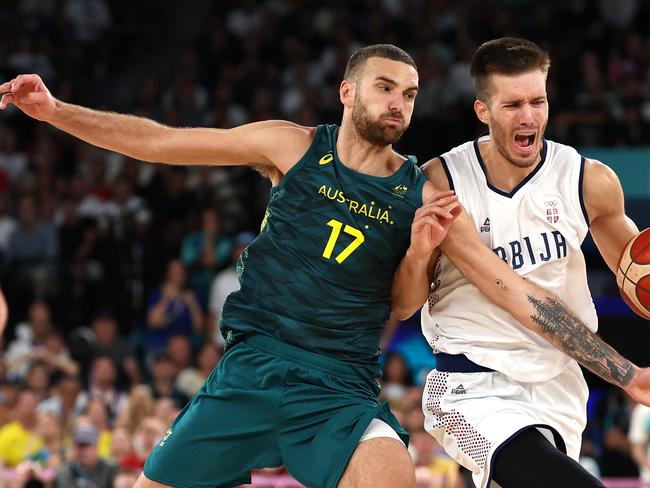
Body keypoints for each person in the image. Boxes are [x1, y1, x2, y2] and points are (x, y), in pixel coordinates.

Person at [0, 44, 461, 487]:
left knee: (391, 472)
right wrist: (57, 111)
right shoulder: (292, 146)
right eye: (385, 88)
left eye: (409, 94)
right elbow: (162, 142)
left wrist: (420, 253)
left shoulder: (416, 194)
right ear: (347, 91)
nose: (398, 103)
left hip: (338, 386)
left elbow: (404, 307)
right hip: (253, 368)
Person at [392, 37, 650, 488]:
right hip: (469, 386)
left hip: (558, 384)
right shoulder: (443, 182)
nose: (528, 116)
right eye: (512, 105)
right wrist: (625, 374)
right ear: (482, 111)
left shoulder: (588, 181)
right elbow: (510, 299)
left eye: (538, 101)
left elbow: (637, 271)